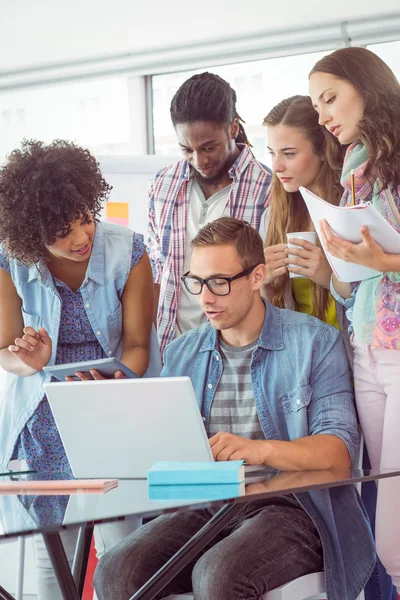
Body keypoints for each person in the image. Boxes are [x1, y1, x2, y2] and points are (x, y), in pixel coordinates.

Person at [94, 217, 375, 600]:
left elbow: (338, 454)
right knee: (116, 571)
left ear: (257, 276)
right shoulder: (183, 350)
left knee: (217, 574)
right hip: (207, 507)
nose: (205, 298)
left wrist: (260, 449)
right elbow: (170, 450)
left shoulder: (315, 343)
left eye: (219, 283)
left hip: (295, 509)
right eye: (197, 282)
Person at [0, 139, 155, 598]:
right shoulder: (11, 260)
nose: (82, 236)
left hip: (112, 410)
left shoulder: (129, 251)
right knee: (54, 559)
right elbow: (4, 351)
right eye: (63, 231)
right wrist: (27, 362)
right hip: (44, 421)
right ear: (32, 234)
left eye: (86, 217)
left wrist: (115, 381)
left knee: (124, 553)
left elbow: (138, 347)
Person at [309, 46, 400, 597]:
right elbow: (356, 284)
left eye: (330, 98)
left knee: (394, 533)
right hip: (366, 345)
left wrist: (382, 261)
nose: (322, 115)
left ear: (367, 88)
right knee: (382, 520)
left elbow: (383, 264)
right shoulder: (354, 169)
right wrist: (335, 262)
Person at [147, 72, 272, 353]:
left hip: (241, 349)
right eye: (186, 149)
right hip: (173, 347)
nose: (199, 160)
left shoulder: (268, 188)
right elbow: (157, 271)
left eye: (208, 147)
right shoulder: (162, 184)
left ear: (233, 128)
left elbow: (268, 284)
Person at [259, 95, 353, 358]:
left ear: (323, 151)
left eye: (289, 154)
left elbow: (379, 302)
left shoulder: (350, 211)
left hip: (351, 362)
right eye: (272, 153)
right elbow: (271, 315)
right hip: (301, 362)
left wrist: (329, 278)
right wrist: (264, 283)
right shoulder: (274, 216)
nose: (276, 166)